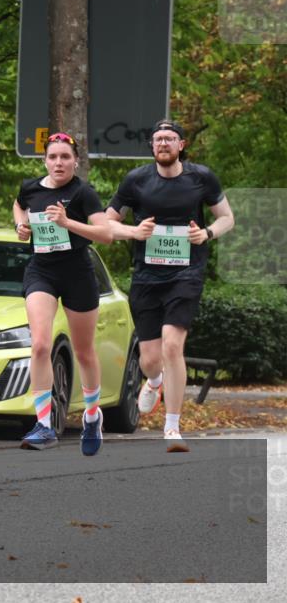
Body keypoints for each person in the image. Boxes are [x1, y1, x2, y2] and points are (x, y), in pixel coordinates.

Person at [105, 120, 234, 452]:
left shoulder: (201, 177)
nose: (163, 143)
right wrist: (134, 233)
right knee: (150, 358)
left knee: (173, 347)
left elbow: (227, 218)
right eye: (158, 139)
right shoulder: (136, 181)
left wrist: (206, 234)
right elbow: (106, 222)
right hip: (146, 276)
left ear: (181, 144)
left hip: (186, 273)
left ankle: (172, 427)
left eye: (170, 139)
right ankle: (155, 380)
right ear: (151, 146)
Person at [13, 132, 112, 454]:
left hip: (77, 273)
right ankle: (43, 424)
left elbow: (106, 234)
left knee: (83, 351)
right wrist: (21, 226)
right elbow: (19, 206)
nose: (59, 163)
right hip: (41, 270)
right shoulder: (31, 188)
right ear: (45, 160)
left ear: (75, 161)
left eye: (65, 157)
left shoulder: (83, 193)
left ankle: (93, 415)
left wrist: (69, 222)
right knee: (40, 344)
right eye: (53, 157)